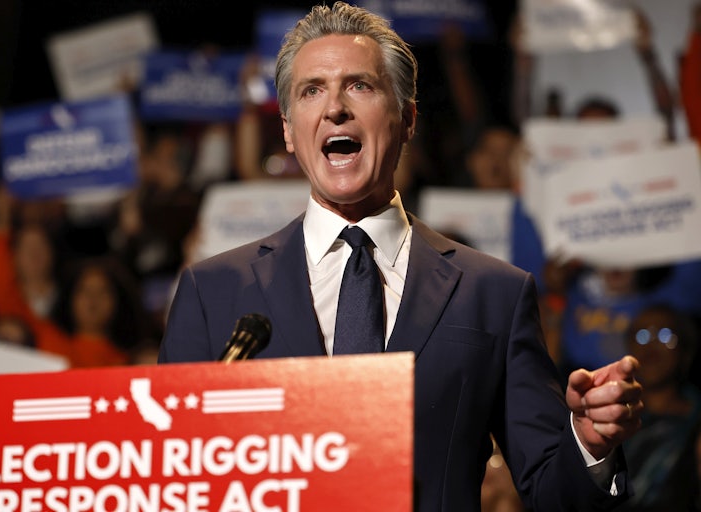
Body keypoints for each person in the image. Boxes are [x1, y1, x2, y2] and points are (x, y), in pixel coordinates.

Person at [159, 3, 643, 510]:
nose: (334, 108)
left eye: (359, 86)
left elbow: (550, 490)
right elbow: (171, 477)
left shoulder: (492, 293)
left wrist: (589, 445)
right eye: (311, 90)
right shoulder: (212, 292)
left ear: (407, 119)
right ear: (287, 130)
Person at [616, 303, 701, 511]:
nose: (651, 347)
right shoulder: (608, 412)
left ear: (685, 352)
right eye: (642, 336)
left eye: (665, 336)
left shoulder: (696, 420)